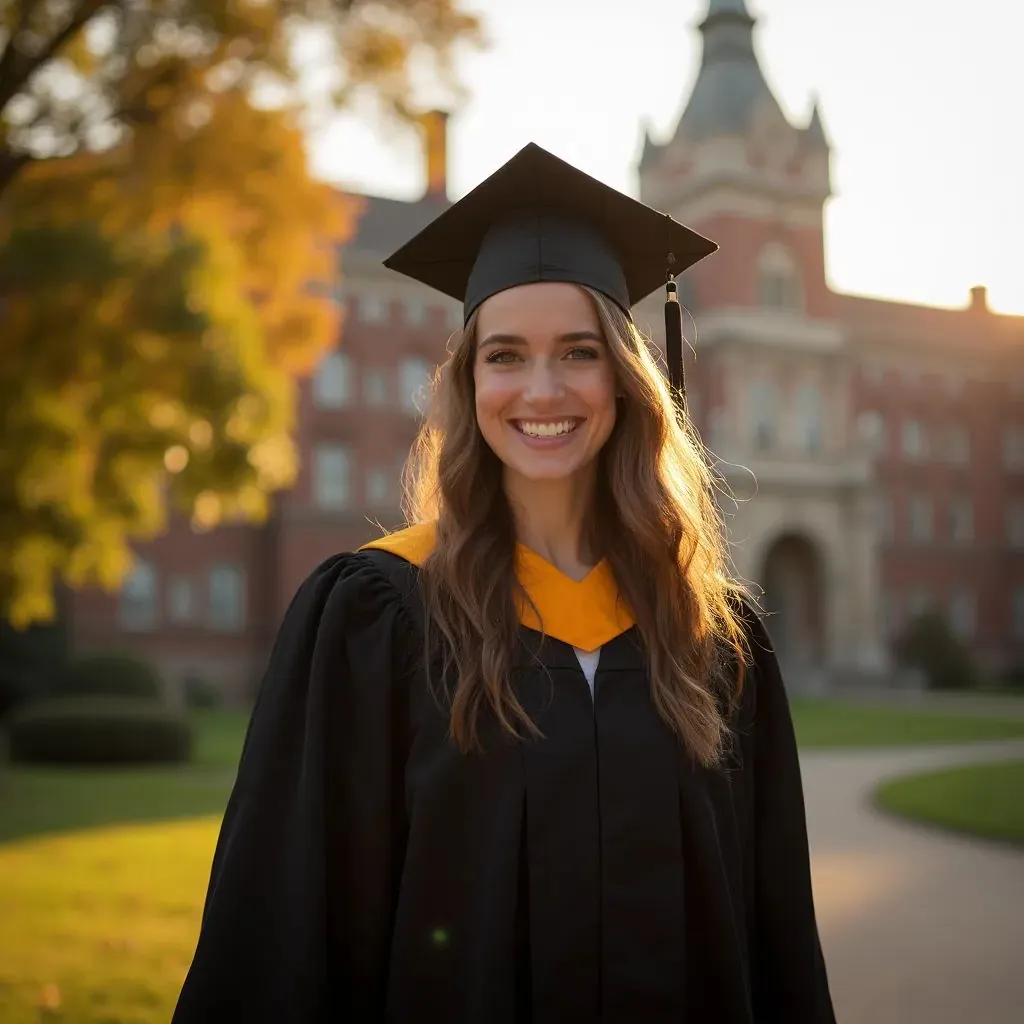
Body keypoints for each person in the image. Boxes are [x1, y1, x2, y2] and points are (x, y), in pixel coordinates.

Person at [172, 143, 836, 1023]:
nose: (543, 388)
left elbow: (772, 929)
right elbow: (285, 928)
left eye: (579, 352)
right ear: (468, 380)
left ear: (629, 380)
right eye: (506, 356)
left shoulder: (711, 637)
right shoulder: (380, 618)